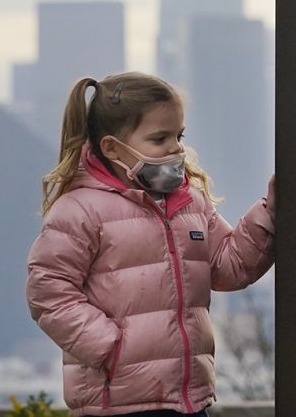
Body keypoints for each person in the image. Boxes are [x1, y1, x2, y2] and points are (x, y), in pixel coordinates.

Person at [27, 73, 275, 417]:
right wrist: (110, 348)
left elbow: (230, 267)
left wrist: (271, 211)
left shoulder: (189, 202)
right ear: (112, 147)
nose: (176, 147)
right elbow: (48, 291)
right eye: (159, 138)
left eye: (179, 135)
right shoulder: (80, 209)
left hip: (189, 399)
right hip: (118, 404)